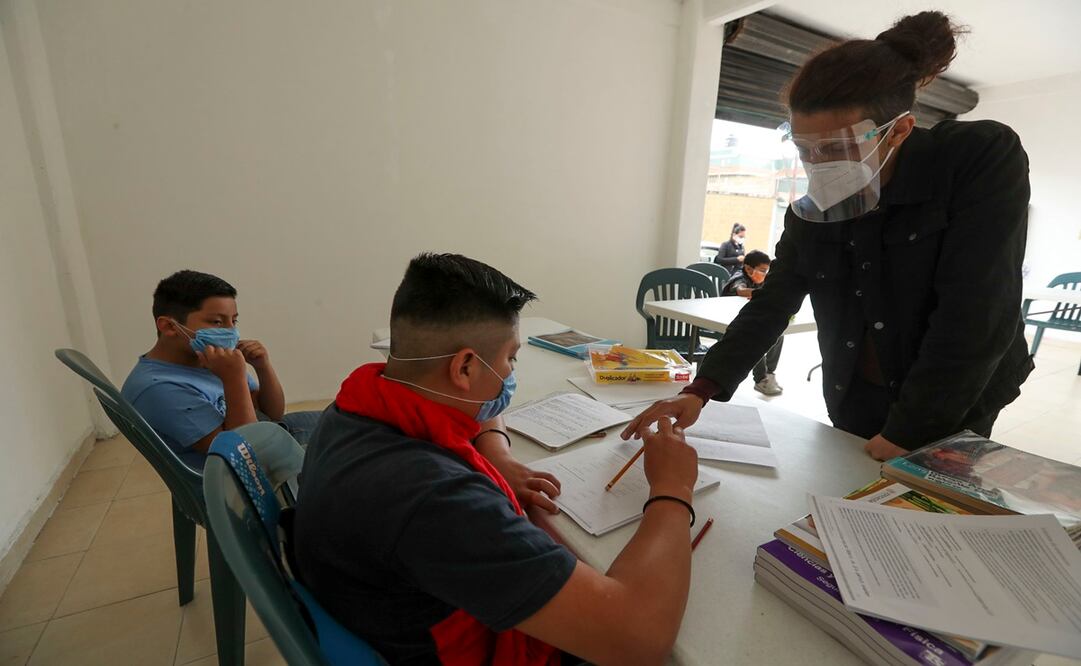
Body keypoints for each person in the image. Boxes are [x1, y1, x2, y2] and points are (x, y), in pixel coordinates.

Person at [623, 11, 1033, 462]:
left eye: (838, 148)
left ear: (898, 130)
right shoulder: (814, 211)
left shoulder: (975, 159)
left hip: (953, 394)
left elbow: (978, 311)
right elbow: (772, 304)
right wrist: (701, 389)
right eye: (806, 149)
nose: (819, 165)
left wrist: (909, 431)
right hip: (854, 389)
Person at [293, 253, 699, 665]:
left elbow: (480, 407)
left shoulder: (354, 409)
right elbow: (638, 640)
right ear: (465, 366)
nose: (509, 375)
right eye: (511, 358)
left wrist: (497, 455)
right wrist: (672, 488)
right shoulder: (437, 500)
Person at [121, 270, 320, 470]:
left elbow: (272, 414)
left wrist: (263, 367)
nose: (230, 331)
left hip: (266, 434)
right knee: (346, 448)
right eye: (217, 322)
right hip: (245, 478)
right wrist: (233, 379)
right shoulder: (158, 388)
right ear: (169, 326)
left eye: (234, 321)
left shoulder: (208, 359)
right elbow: (245, 454)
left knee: (345, 421)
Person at [721, 250, 783, 396]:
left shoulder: (757, 281)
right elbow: (740, 290)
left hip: (749, 319)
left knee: (779, 332)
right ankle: (761, 378)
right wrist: (763, 294)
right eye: (762, 270)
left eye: (766, 271)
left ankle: (769, 373)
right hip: (729, 320)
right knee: (758, 335)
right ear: (748, 268)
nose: (764, 274)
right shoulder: (739, 278)